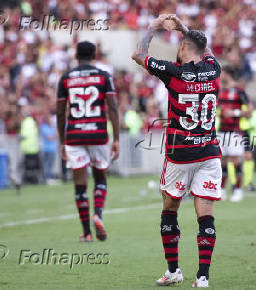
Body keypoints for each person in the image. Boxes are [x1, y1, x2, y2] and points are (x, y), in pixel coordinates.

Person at [132, 14, 221, 288]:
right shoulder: (213, 69)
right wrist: (184, 29)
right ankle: (202, 277)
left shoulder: (173, 72)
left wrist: (154, 28)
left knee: (169, 210)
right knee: (205, 215)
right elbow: (205, 50)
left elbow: (138, 54)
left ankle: (173, 271)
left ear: (182, 48)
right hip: (208, 153)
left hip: (179, 155)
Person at [57, 41, 120, 243]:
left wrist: (62, 141)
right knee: (100, 177)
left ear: (76, 56)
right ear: (95, 56)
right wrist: (116, 138)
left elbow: (60, 113)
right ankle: (98, 214)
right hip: (98, 134)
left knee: (80, 184)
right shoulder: (104, 77)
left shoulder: (65, 79)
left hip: (74, 136)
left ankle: (86, 232)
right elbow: (113, 108)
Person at [219, 66, 252, 201]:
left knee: (236, 160)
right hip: (221, 131)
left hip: (234, 131)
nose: (220, 76)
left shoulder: (239, 91)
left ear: (228, 74)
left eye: (222, 73)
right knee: (222, 162)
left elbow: (250, 111)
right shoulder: (219, 90)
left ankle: (238, 190)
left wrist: (234, 113)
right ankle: (221, 190)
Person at [40, 114, 58, 182]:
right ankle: (46, 178)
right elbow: (49, 137)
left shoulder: (52, 127)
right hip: (46, 149)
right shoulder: (44, 127)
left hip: (52, 149)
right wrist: (54, 136)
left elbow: (57, 135)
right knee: (46, 165)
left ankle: (49, 177)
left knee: (51, 165)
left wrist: (54, 136)